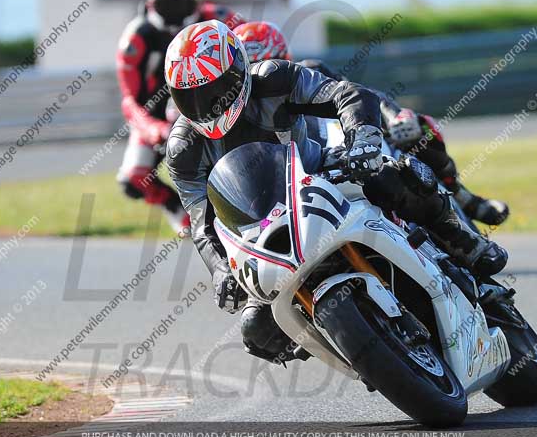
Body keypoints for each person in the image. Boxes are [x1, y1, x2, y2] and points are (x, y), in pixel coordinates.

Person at [164, 20, 508, 363]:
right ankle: (342, 345)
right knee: (256, 329)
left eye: (214, 89)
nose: (205, 104)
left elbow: (348, 94)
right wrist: (220, 270)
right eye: (189, 97)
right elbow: (201, 223)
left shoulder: (273, 78)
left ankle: (462, 239)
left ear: (239, 70)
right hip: (259, 230)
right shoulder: (183, 149)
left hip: (320, 175)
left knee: (395, 175)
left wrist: (364, 138)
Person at [234, 21, 509, 226]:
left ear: (284, 59)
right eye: (254, 69)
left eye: (269, 65)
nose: (264, 79)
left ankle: (462, 196)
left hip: (353, 146)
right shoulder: (239, 115)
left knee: (416, 127)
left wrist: (394, 115)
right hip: (307, 172)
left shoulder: (308, 71)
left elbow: (361, 93)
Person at [115, 0, 244, 231]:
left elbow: (249, 59)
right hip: (160, 116)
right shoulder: (135, 39)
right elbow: (130, 101)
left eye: (180, 3)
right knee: (133, 178)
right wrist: (156, 129)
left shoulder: (222, 21)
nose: (173, 11)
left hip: (215, 105)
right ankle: (181, 213)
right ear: (151, 0)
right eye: (166, 2)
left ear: (197, 0)